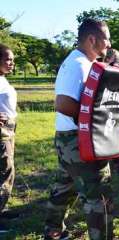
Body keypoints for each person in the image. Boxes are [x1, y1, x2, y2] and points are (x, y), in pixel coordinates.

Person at [44, 18, 113, 240]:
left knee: (65, 186)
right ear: (92, 39)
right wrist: (93, 118)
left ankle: (53, 231)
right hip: (77, 139)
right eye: (107, 39)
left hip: (70, 140)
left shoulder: (83, 62)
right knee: (97, 193)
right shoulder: (78, 65)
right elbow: (63, 103)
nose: (109, 44)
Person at [0, 44, 18, 233]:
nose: (12, 62)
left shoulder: (2, 79)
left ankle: (2, 209)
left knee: (7, 169)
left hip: (9, 129)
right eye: (8, 59)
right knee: (5, 169)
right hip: (2, 131)